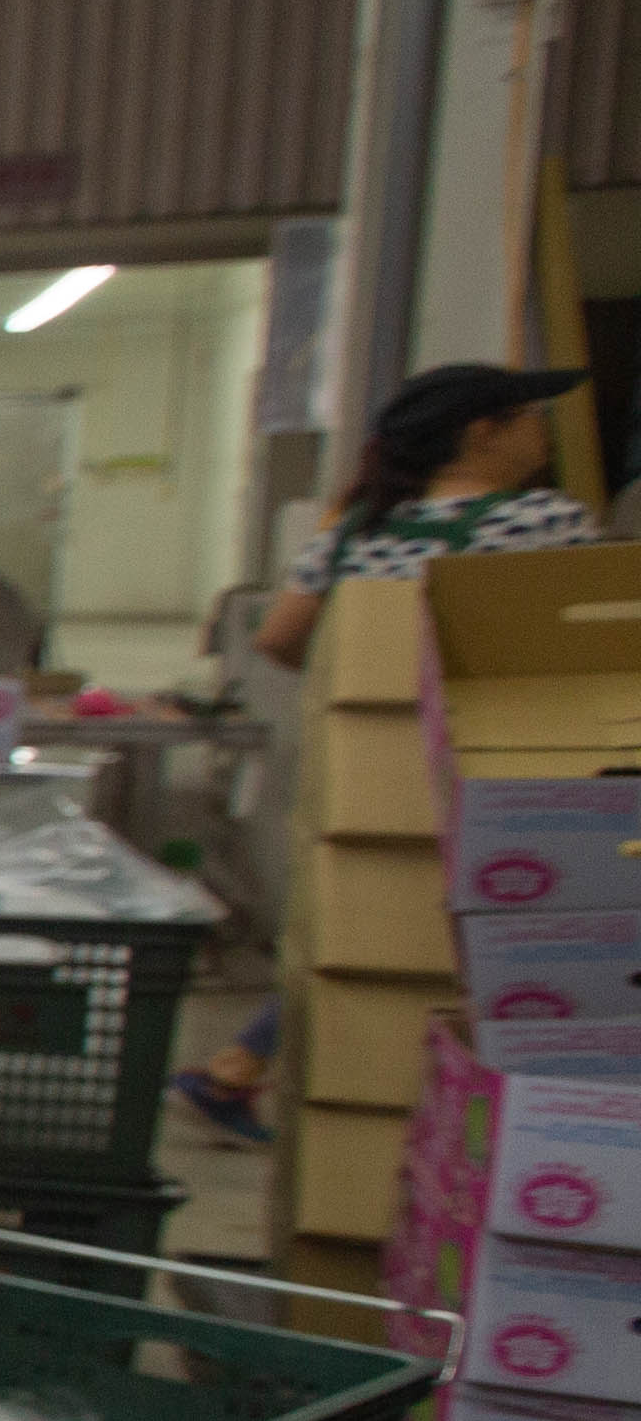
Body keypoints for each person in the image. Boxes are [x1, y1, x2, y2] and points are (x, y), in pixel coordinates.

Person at [176, 362, 602, 1136]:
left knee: (345, 933)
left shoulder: (355, 531)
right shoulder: (546, 523)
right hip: (489, 771)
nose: (545, 432)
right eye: (531, 416)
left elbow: (279, 638)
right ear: (482, 432)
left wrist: (362, 684)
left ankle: (243, 1068)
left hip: (362, 771)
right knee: (473, 942)